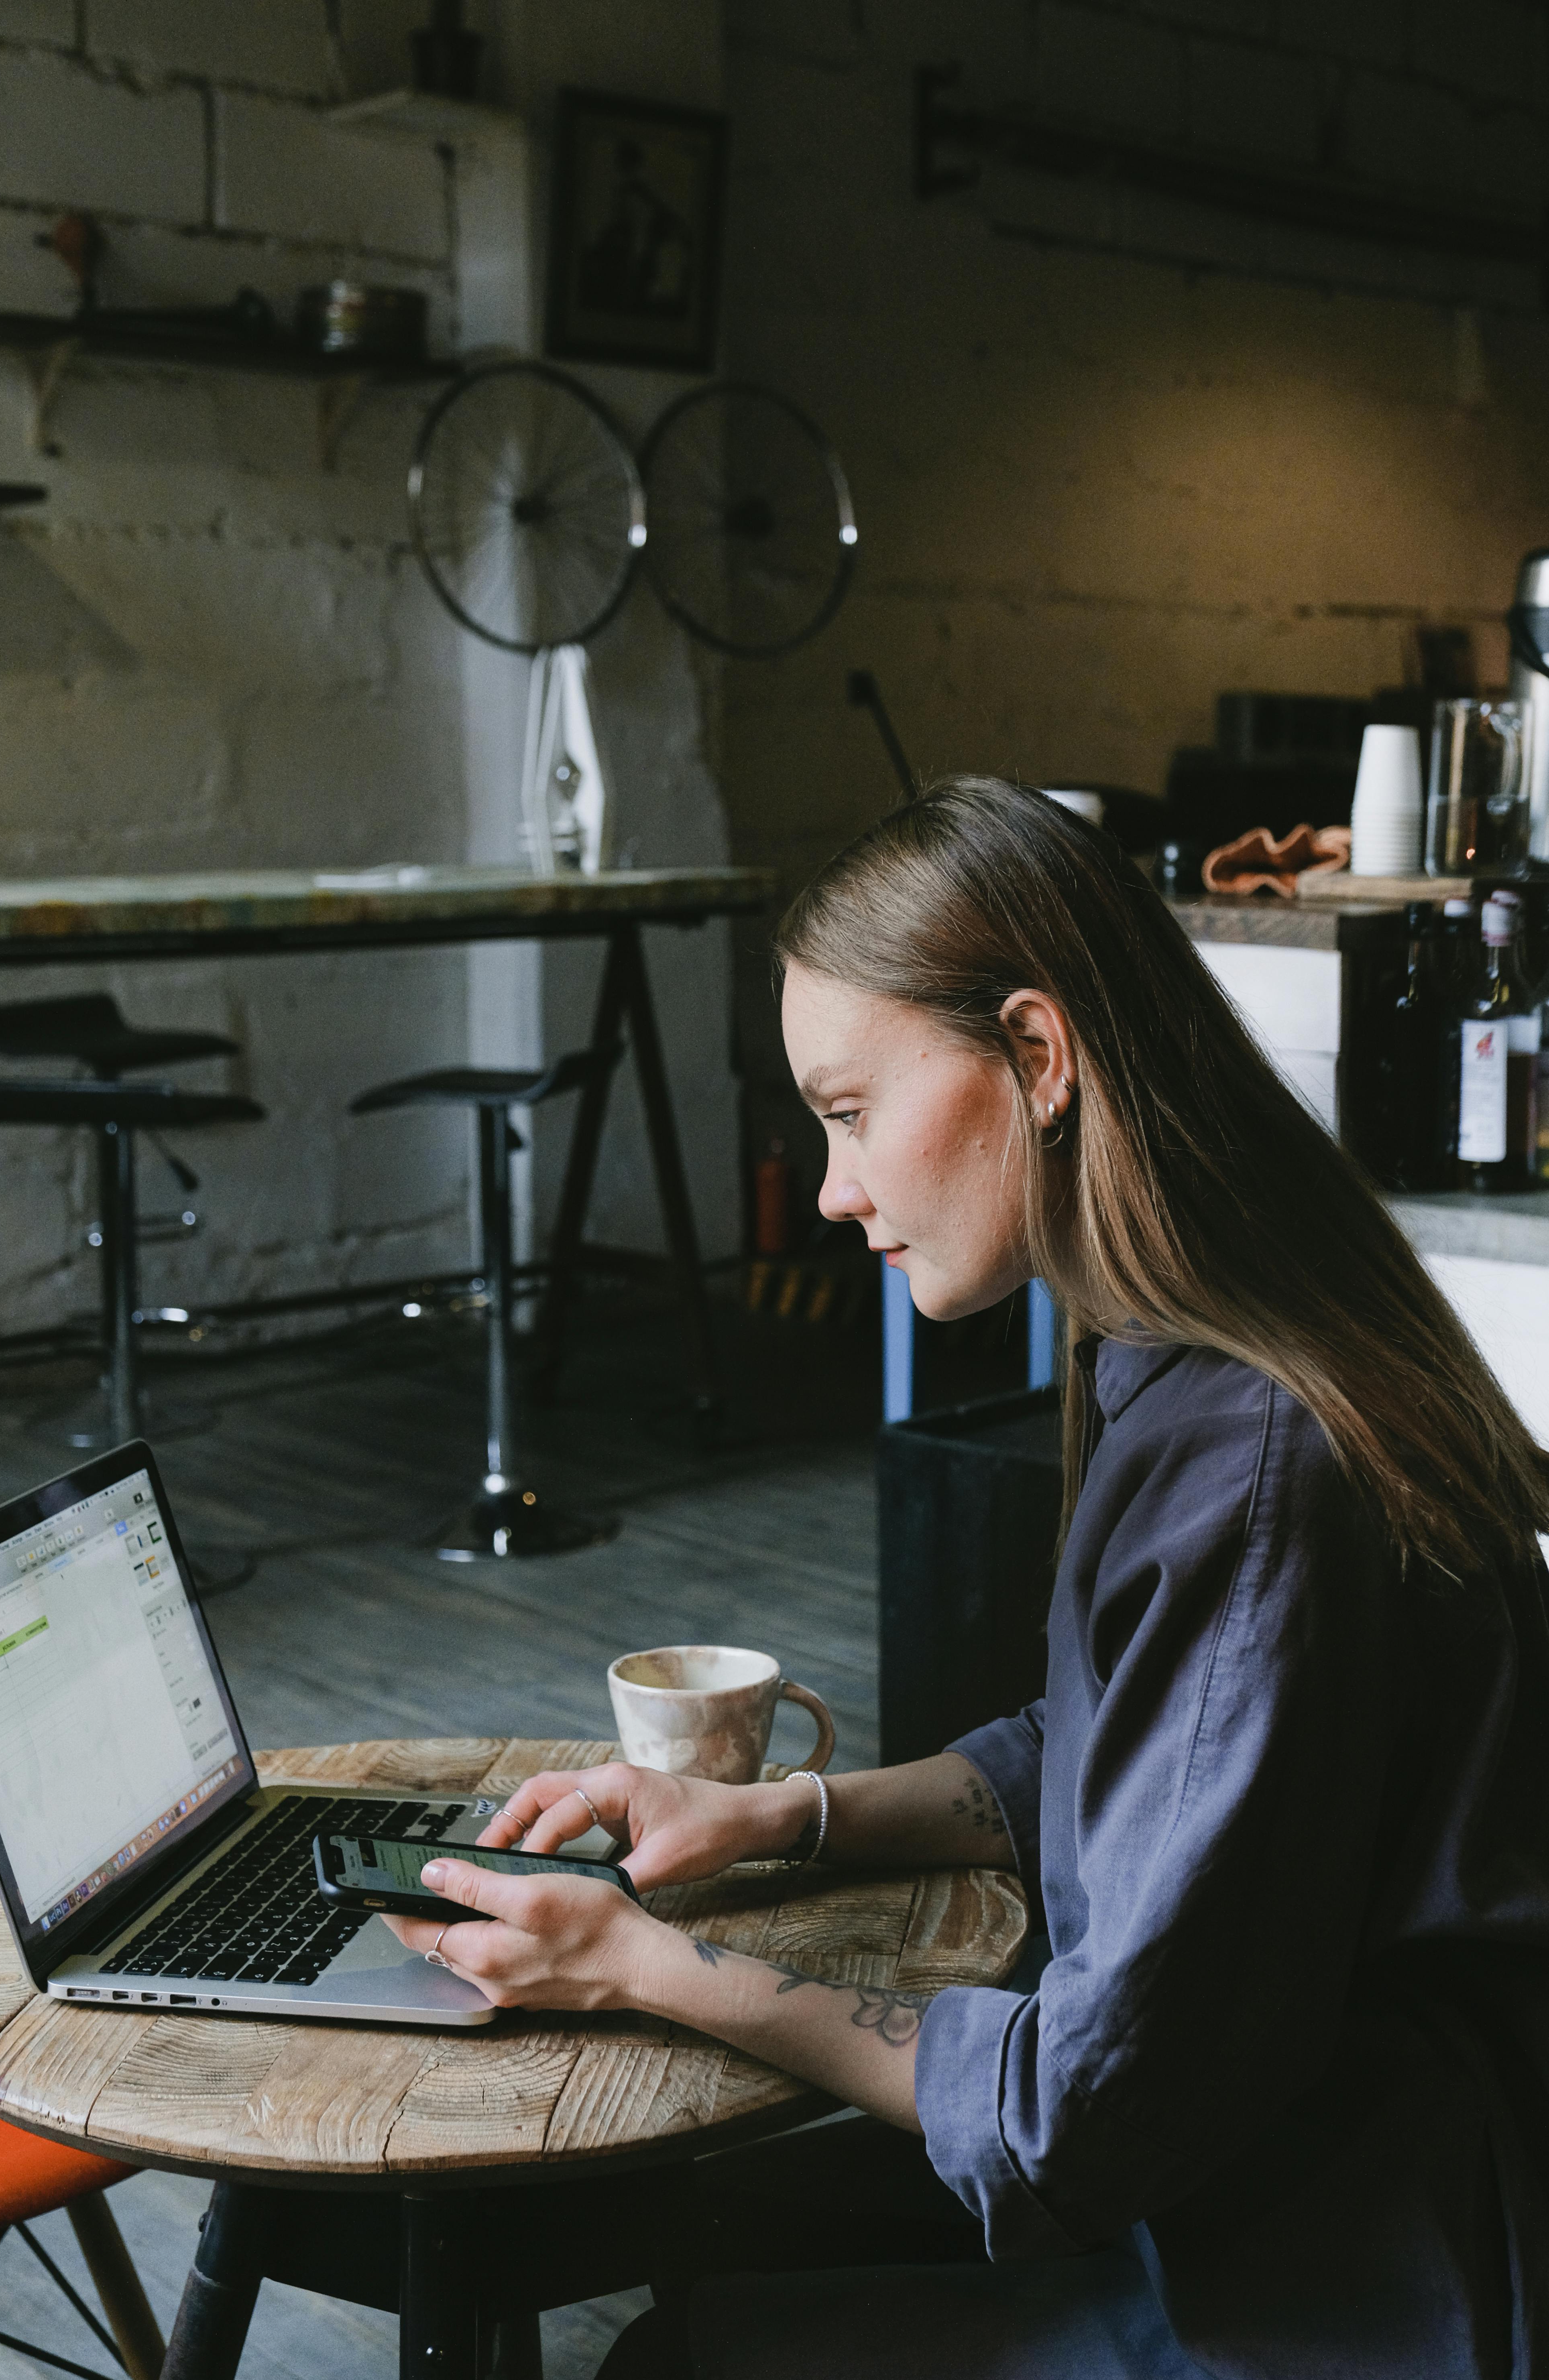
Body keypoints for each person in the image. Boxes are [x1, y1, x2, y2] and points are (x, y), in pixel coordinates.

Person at [388, 781, 1549, 2378]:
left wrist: (647, 1963)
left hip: (1343, 2295)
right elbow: (1118, 1743)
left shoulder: (1250, 1460)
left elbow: (1074, 2118)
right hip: (1269, 2203)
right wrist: (784, 1817)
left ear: (1038, 1053)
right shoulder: (1197, 1347)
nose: (824, 1188)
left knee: (671, 2356)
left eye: (850, 1109)